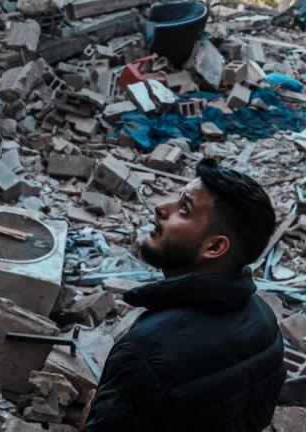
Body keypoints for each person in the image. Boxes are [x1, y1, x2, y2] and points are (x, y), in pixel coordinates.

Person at [84, 158, 285, 432]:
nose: (160, 207)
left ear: (214, 246)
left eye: (184, 209)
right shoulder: (265, 319)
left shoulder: (146, 353)